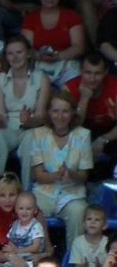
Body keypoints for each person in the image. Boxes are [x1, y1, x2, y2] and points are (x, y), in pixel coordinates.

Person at [25, 90, 92, 247]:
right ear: (49, 112)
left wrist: (71, 174)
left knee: (79, 212)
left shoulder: (83, 135)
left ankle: (73, 263)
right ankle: (34, 257)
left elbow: (83, 176)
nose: (60, 116)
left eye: (65, 111)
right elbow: (38, 175)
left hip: (72, 194)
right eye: (55, 111)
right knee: (27, 209)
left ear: (73, 112)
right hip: (44, 192)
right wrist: (57, 175)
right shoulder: (39, 134)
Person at [0, 35, 51, 167]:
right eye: (10, 53)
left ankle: (28, 186)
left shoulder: (41, 78)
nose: (15, 57)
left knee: (30, 138)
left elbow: (42, 117)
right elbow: (0, 117)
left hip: (32, 127)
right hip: (9, 127)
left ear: (28, 53)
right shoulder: (1, 79)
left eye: (19, 52)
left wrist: (28, 121)